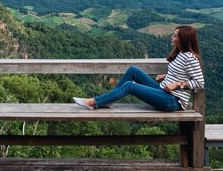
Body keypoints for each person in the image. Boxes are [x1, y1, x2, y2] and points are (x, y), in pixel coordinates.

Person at [73, 25, 204, 112]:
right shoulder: (181, 54)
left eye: (175, 36)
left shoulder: (190, 58)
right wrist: (167, 76)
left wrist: (177, 84)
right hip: (163, 91)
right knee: (133, 70)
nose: (172, 37)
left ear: (183, 40)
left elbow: (199, 82)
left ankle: (94, 103)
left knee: (129, 86)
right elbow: (181, 72)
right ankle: (108, 101)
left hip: (172, 101)